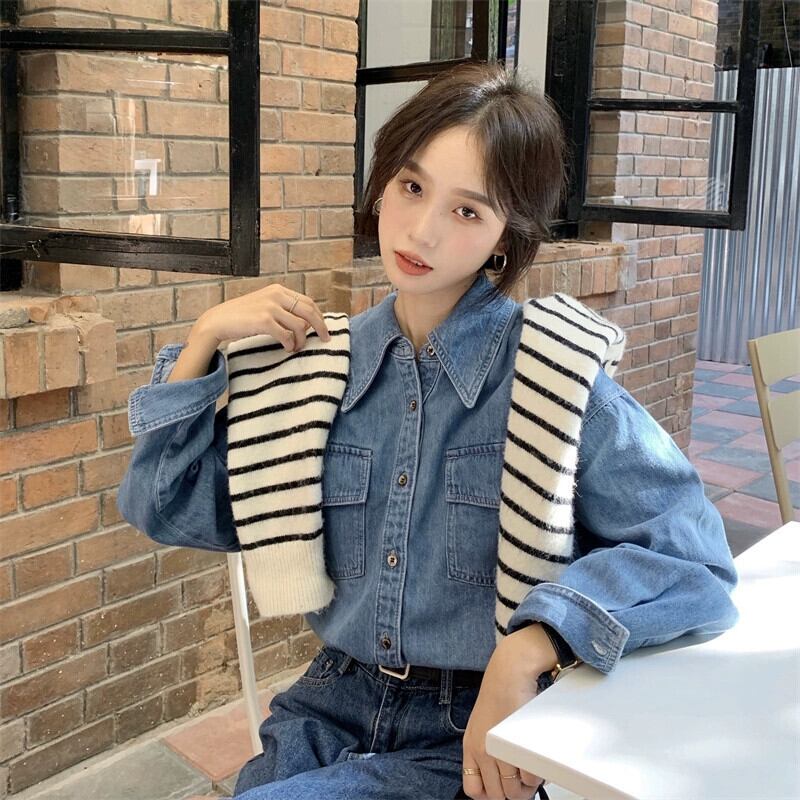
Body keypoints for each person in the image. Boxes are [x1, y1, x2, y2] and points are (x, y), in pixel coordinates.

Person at [117, 61, 739, 800]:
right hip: (326, 706)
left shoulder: (553, 378)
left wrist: (531, 646)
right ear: (383, 182)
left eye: (468, 212)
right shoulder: (311, 372)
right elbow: (162, 508)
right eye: (412, 187)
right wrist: (204, 341)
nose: (421, 231)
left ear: (505, 237)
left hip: (472, 727)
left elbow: (696, 562)